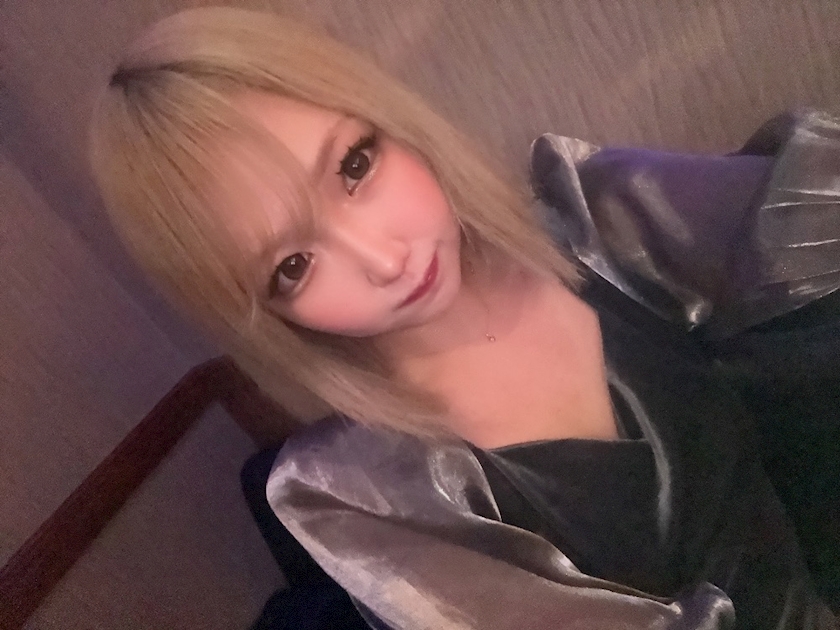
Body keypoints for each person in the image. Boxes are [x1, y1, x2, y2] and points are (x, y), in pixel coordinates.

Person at [90, 7, 840, 629]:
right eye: (293, 265)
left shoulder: (597, 214)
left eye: (355, 165)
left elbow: (806, 221)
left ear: (389, 116)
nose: (383, 259)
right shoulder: (363, 496)